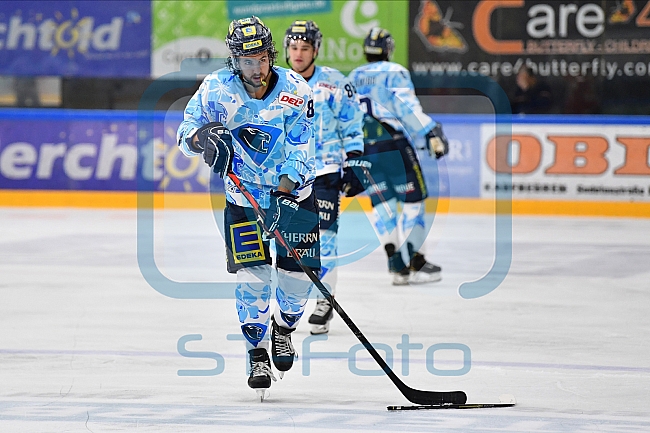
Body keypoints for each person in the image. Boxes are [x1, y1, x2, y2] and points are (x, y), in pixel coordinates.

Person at [176, 16, 319, 400]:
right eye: (246, 61)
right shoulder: (216, 89)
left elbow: (303, 149)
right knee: (253, 280)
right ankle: (256, 352)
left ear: (271, 55)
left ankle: (284, 330)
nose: (255, 69)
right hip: (243, 201)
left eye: (261, 59)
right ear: (234, 60)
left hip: (295, 199)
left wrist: (285, 196)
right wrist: (203, 138)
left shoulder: (295, 90)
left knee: (296, 284)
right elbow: (185, 132)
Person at [348, 27, 449, 286]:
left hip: (365, 149)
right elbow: (407, 108)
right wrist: (430, 131)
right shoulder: (395, 72)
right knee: (414, 201)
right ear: (388, 49)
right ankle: (415, 260)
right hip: (394, 145)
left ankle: (396, 265)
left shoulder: (354, 76)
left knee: (383, 205)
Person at [283, 20, 365, 334]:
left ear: (316, 50)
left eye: (305, 48)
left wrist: (356, 163)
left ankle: (324, 300)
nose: (299, 53)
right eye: (294, 47)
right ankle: (291, 302)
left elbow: (351, 125)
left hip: (327, 173)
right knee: (292, 245)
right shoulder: (278, 83)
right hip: (289, 176)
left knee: (325, 242)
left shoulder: (335, 83)